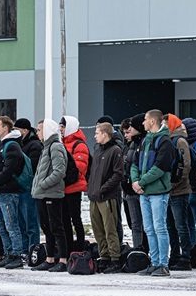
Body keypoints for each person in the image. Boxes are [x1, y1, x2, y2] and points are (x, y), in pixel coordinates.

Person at [131, 109, 176, 277]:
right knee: (149, 228)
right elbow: (134, 164)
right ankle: (154, 262)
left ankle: (163, 264)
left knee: (159, 227)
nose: (143, 123)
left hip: (158, 192)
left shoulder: (165, 141)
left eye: (145, 119)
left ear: (152, 121)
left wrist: (141, 182)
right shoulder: (145, 140)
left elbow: (160, 167)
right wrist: (135, 181)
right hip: (144, 192)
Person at [0, 116, 28, 269]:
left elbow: (10, 170)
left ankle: (17, 255)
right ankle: (8, 253)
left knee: (12, 225)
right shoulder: (2, 145)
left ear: (5, 128)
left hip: (9, 192)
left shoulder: (12, 146)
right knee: (1, 227)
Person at [31, 119, 69, 272]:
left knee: (56, 227)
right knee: (46, 228)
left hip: (51, 194)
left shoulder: (55, 147)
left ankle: (63, 259)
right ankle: (50, 258)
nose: (37, 133)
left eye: (40, 130)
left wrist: (43, 184)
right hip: (41, 194)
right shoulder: (45, 147)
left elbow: (59, 171)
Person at [88, 122, 125, 272]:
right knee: (98, 229)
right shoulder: (97, 150)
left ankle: (115, 258)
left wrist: (103, 189)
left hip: (107, 196)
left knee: (110, 228)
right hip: (94, 196)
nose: (95, 136)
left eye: (97, 133)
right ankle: (104, 256)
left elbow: (118, 174)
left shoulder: (115, 150)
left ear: (105, 133)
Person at [165, 114, 194, 271]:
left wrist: (173, 183)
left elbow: (185, 166)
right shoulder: (169, 141)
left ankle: (186, 257)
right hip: (170, 190)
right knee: (171, 225)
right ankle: (175, 254)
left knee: (181, 225)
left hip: (179, 190)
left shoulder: (180, 141)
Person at [59, 116, 90, 251]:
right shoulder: (63, 143)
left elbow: (79, 168)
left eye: (63, 126)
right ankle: (69, 247)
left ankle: (80, 248)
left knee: (75, 219)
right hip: (63, 188)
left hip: (74, 188)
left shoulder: (79, 145)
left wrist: (63, 179)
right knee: (64, 220)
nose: (60, 129)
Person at [15, 117, 42, 253]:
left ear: (25, 130)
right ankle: (24, 250)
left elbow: (32, 167)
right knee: (21, 222)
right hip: (19, 187)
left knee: (30, 222)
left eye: (17, 130)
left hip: (29, 188)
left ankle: (32, 250)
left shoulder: (34, 145)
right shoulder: (19, 143)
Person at [121, 115, 148, 252]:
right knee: (135, 224)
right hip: (129, 189)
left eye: (130, 129)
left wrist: (138, 182)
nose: (128, 133)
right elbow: (129, 166)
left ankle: (147, 251)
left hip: (141, 189)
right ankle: (138, 252)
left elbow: (140, 165)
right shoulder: (130, 145)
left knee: (147, 225)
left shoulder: (145, 142)